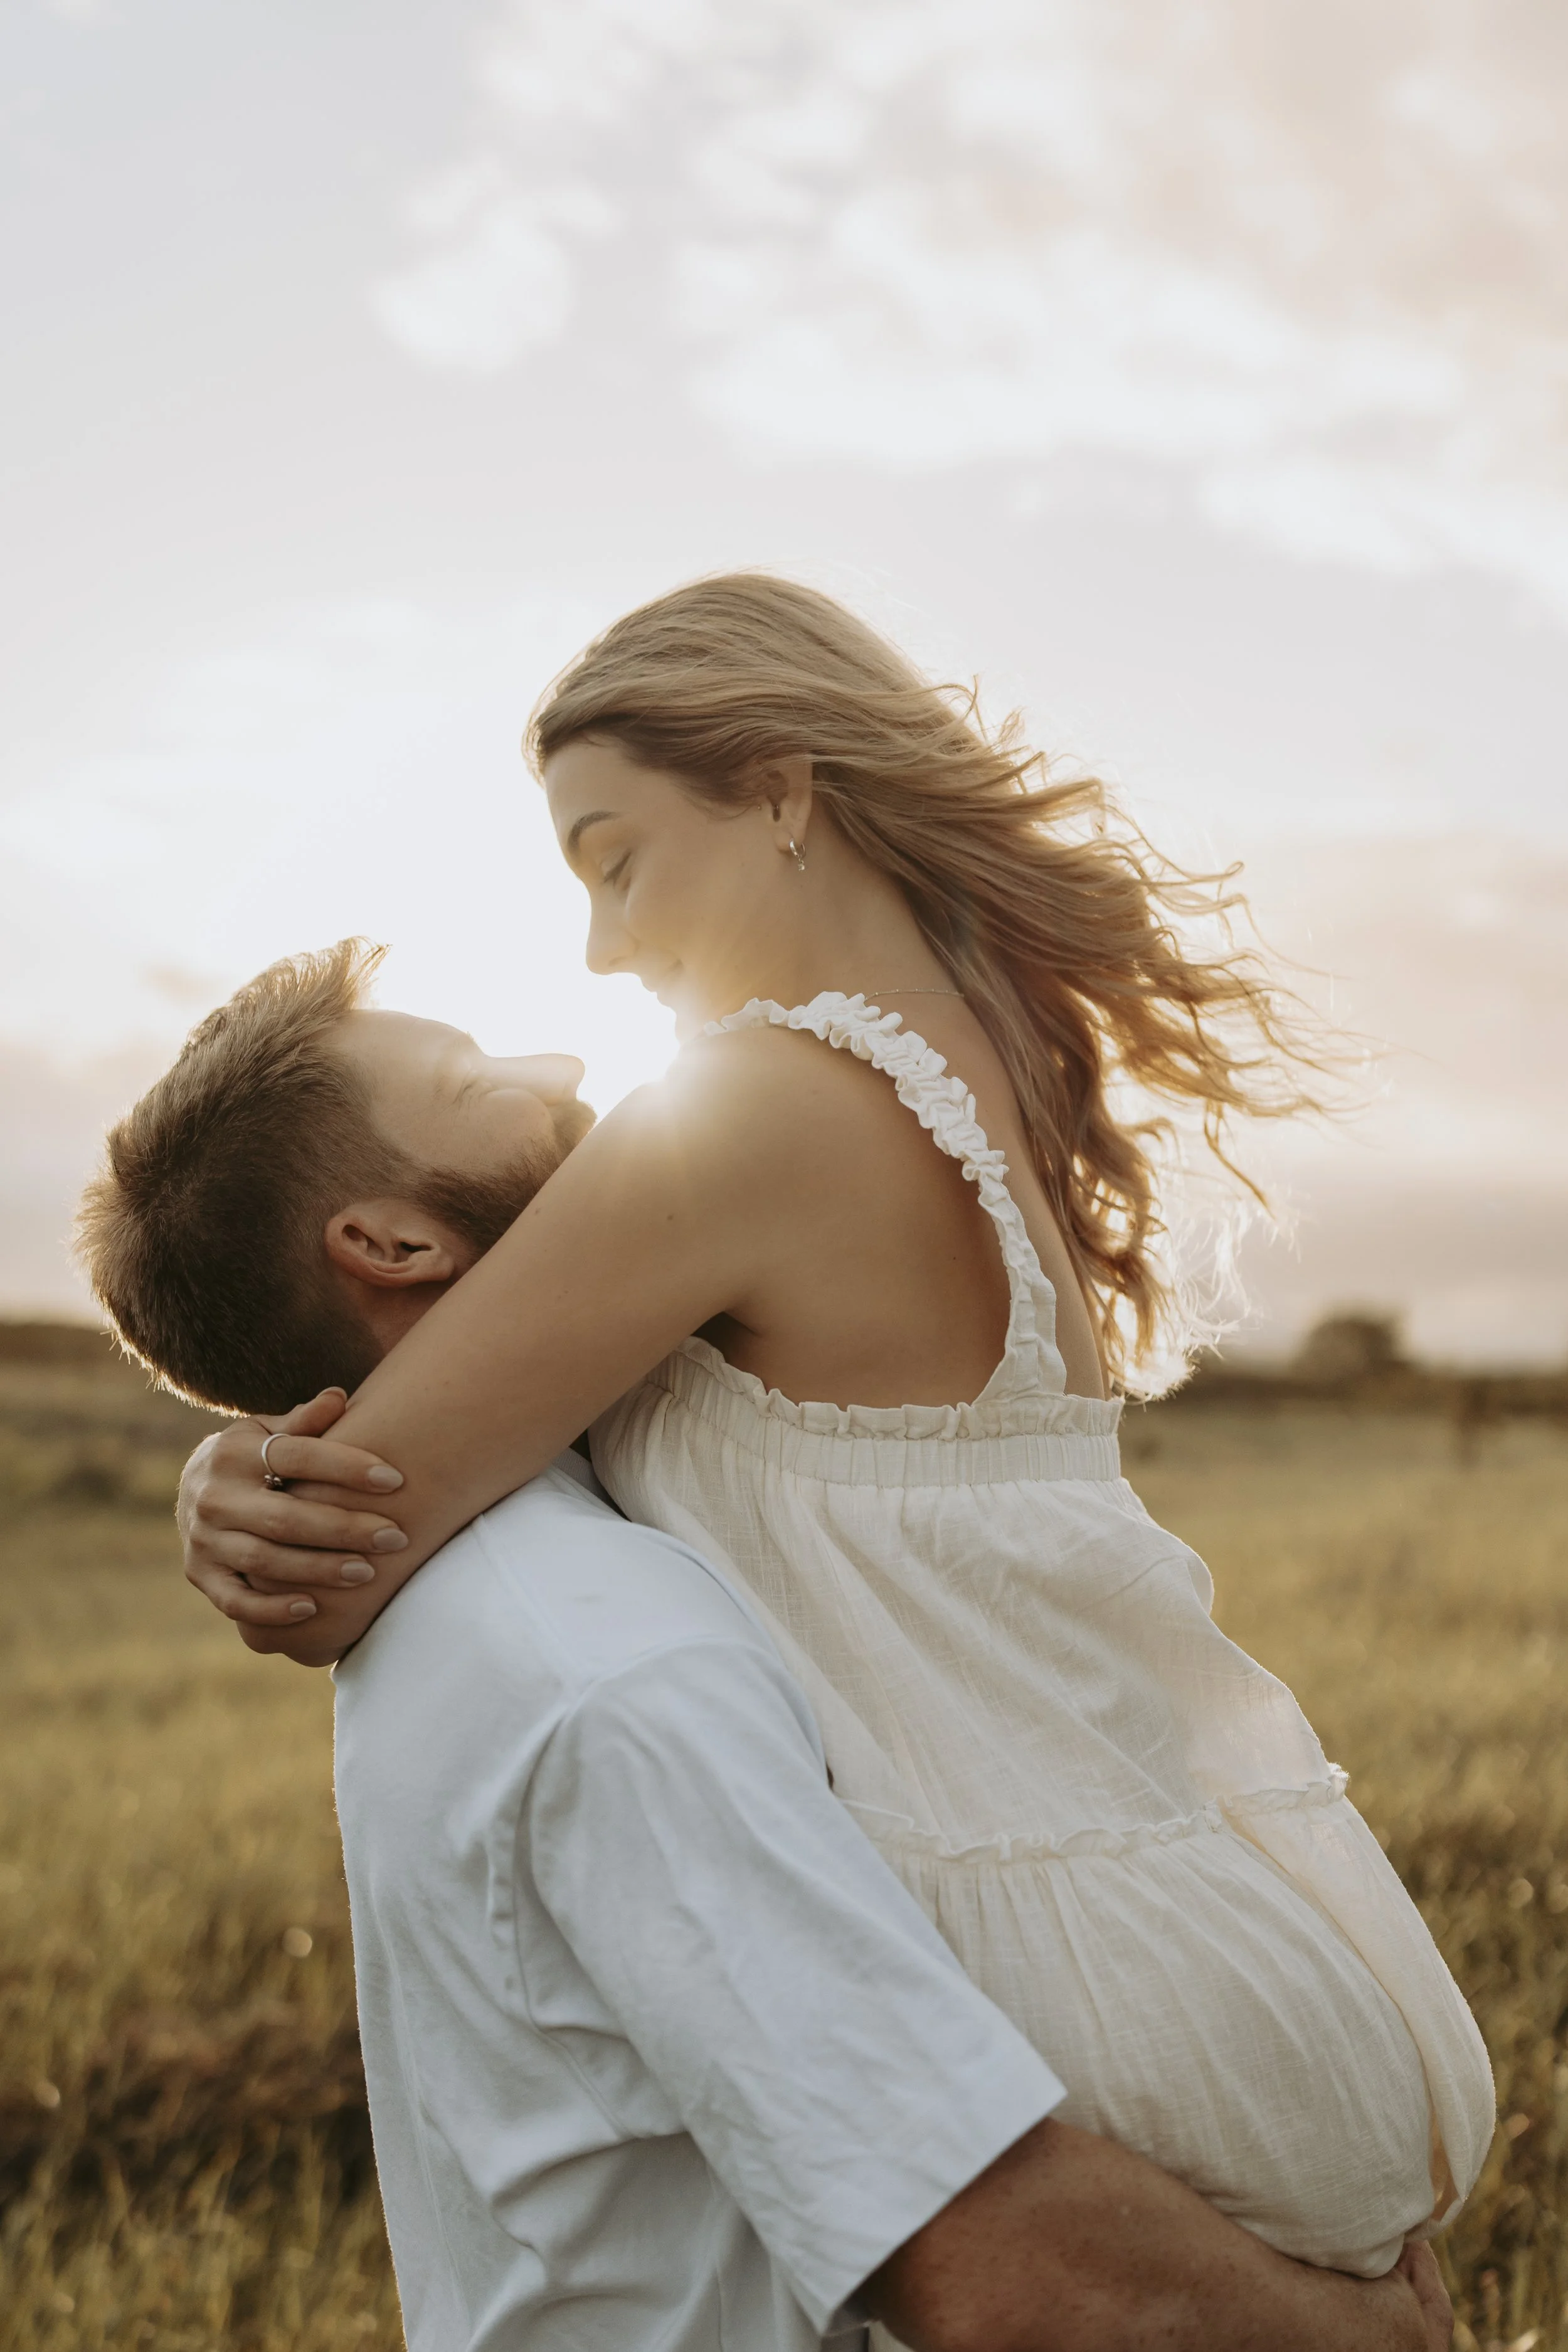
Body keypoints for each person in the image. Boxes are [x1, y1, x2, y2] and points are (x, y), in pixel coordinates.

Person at [167, 575, 1493, 2273]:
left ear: (781, 788)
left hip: (1072, 1992)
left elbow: (344, 1536)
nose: (598, 945)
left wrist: (232, 1484)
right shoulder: (975, 1087)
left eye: (613, 856)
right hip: (1209, 1934)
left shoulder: (755, 1116)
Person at [77, 944, 1454, 2352]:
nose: (556, 1067)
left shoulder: (491, 1560)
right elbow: (970, 2243)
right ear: (391, 1246)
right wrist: (1359, 2335)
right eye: (474, 1082)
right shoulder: (603, 1662)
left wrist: (239, 1464)